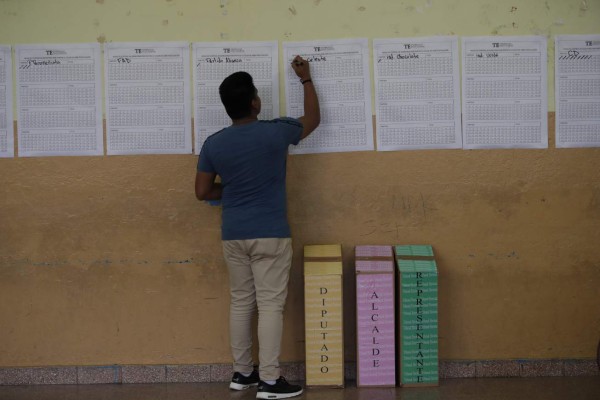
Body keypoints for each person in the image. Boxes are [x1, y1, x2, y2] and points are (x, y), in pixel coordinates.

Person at [195, 55, 320, 399]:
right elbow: (313, 119)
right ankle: (269, 380)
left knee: (240, 302)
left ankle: (242, 374)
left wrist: (233, 189)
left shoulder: (214, 143)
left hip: (233, 234)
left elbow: (202, 192)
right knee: (269, 305)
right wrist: (306, 79)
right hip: (271, 234)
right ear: (254, 102)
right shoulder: (275, 132)